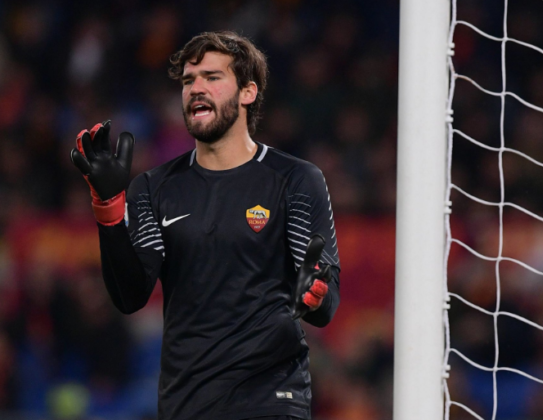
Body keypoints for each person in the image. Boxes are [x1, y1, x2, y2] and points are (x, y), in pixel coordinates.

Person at [69, 31, 340, 420]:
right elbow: (130, 297)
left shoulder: (294, 179)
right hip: (185, 403)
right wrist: (109, 208)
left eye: (212, 77)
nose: (196, 88)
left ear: (248, 92)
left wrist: (314, 294)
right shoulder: (153, 188)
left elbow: (323, 300)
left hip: (270, 398)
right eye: (188, 80)